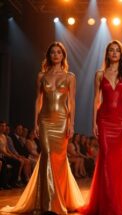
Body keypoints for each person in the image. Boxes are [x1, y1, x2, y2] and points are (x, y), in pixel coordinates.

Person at [1, 41, 84, 214]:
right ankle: (47, 203)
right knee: (46, 156)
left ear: (63, 56)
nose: (55, 55)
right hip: (45, 120)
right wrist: (35, 123)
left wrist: (71, 123)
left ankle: (59, 199)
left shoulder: (70, 77)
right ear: (49, 56)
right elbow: (38, 100)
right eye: (52, 52)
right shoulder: (41, 76)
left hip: (62, 121)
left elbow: (72, 101)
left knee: (59, 161)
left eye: (58, 52)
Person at [80, 40, 122, 215]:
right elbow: (96, 100)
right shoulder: (99, 74)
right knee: (105, 158)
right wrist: (94, 122)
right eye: (111, 50)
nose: (114, 53)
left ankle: (117, 201)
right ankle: (104, 202)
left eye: (117, 51)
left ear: (121, 54)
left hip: (120, 120)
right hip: (104, 120)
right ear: (107, 54)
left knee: (118, 160)